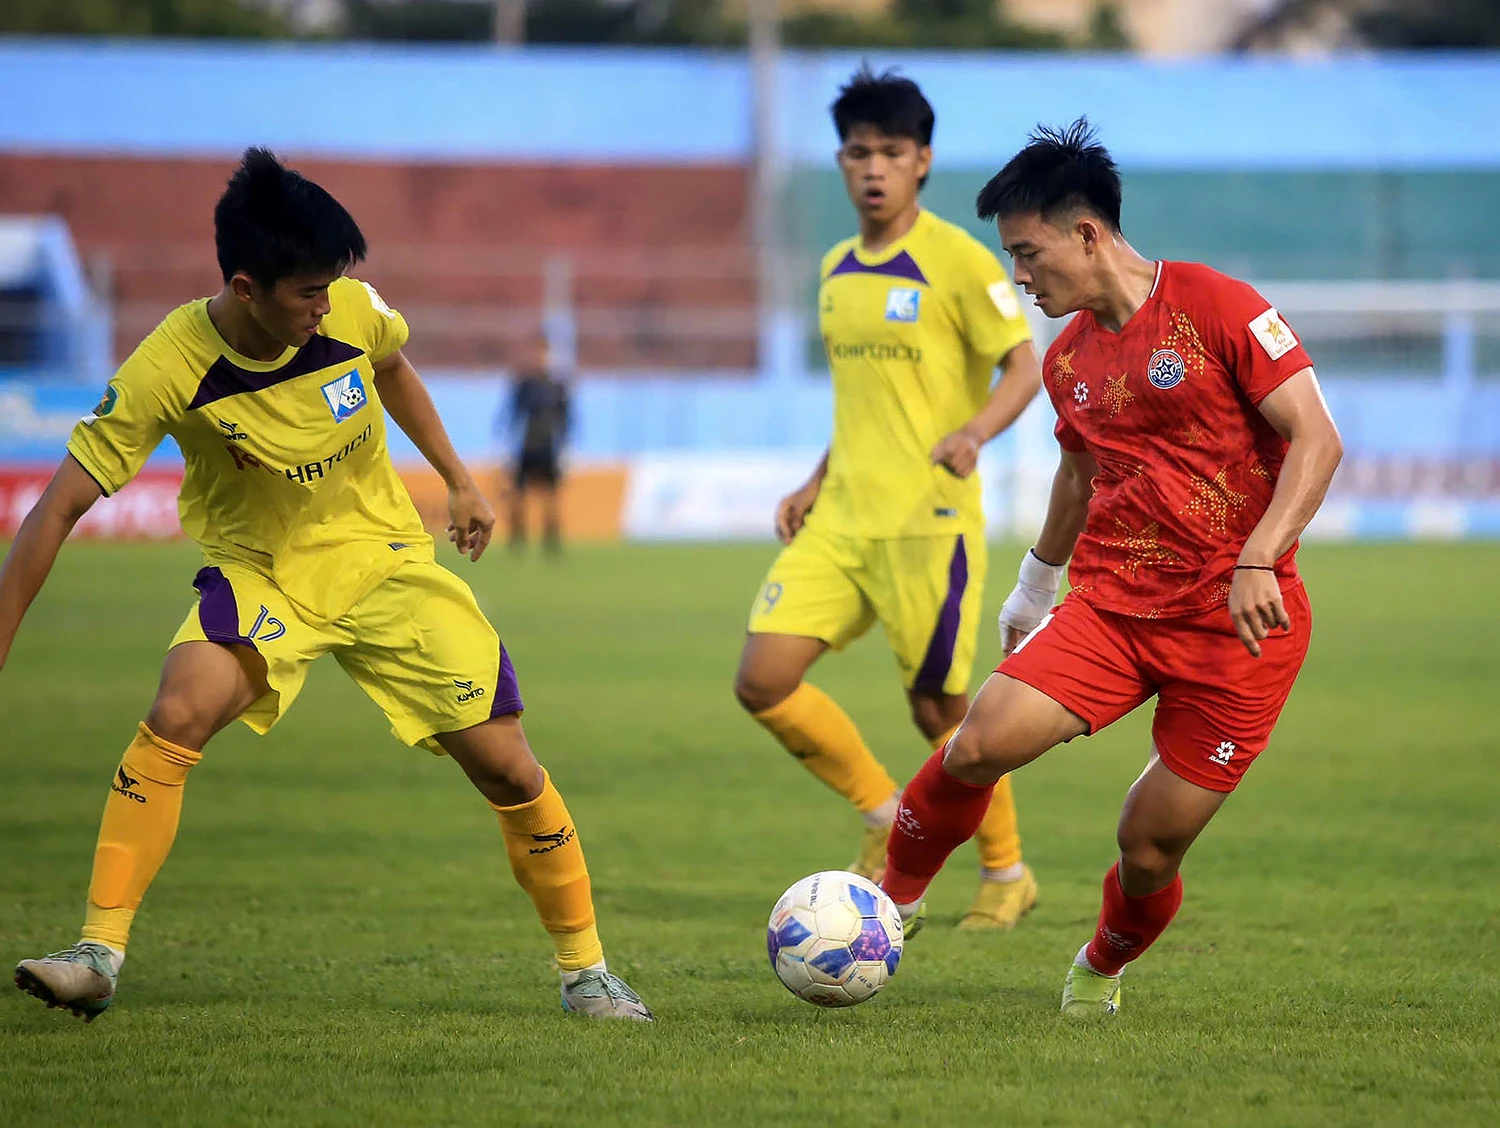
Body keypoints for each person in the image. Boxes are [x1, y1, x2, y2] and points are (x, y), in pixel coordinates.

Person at [4, 149, 651, 1022]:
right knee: (177, 710)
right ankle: (97, 953)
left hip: (385, 562)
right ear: (245, 287)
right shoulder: (169, 366)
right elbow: (53, 512)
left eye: (331, 287)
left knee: (509, 769)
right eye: (307, 291)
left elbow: (392, 368)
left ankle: (587, 974)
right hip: (264, 575)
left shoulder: (347, 308)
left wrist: (458, 478)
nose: (325, 305)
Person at [878, 120, 1344, 1015]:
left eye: (1028, 253)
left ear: (1086, 233)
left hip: (1241, 628)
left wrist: (1259, 556)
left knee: (1147, 847)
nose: (1020, 275)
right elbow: (1080, 475)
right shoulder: (1069, 360)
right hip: (1115, 607)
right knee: (978, 743)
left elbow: (1315, 439)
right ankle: (891, 908)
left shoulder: (1219, 306)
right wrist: (1033, 586)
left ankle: (1099, 966)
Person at [733, 66, 1044, 932]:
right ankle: (881, 815)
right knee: (763, 680)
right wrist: (815, 478)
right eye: (858, 152)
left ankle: (1007, 872)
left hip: (926, 525)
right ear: (840, 161)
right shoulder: (835, 269)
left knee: (941, 712)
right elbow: (864, 405)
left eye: (892, 152)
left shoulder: (960, 260)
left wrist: (976, 433)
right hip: (841, 519)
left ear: (923, 161)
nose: (873, 167)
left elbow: (1025, 364)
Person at [500, 333, 570, 551]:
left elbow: (565, 420)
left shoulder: (558, 386)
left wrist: (566, 450)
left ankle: (551, 540)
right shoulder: (524, 383)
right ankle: (517, 538)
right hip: (526, 447)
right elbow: (512, 416)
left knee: (551, 496)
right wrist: (506, 448)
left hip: (549, 447)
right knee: (517, 495)